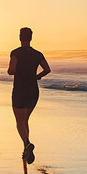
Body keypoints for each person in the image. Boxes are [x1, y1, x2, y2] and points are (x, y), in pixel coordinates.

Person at [7, 27, 51, 164]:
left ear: (20, 38)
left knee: (19, 121)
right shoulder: (37, 54)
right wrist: (37, 76)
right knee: (25, 120)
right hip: (33, 90)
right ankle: (25, 150)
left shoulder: (15, 53)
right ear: (31, 38)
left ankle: (27, 144)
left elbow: (11, 70)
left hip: (20, 89)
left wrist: (13, 69)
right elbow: (47, 69)